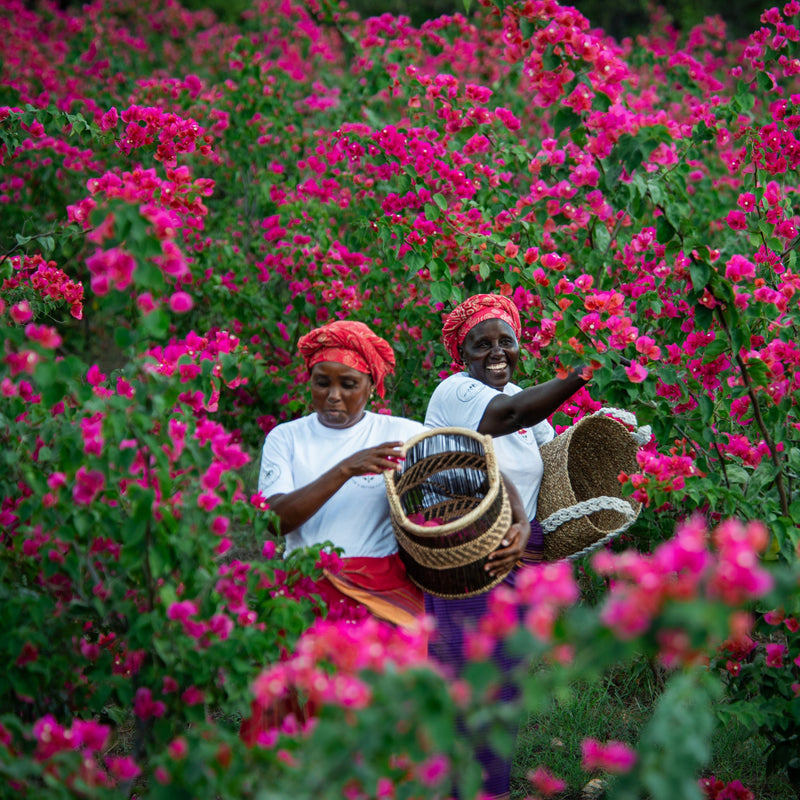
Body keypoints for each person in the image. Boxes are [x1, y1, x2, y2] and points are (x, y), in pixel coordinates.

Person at [423, 293, 590, 800]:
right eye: (482, 345)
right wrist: (584, 371)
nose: (496, 353)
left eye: (506, 342)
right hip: (466, 550)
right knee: (462, 679)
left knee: (503, 688)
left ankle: (487, 789)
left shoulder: (526, 397)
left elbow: (553, 468)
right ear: (463, 354)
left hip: (520, 553)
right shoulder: (458, 391)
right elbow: (507, 416)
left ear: (519, 347)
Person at [241, 319, 427, 745]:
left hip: (380, 586)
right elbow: (274, 521)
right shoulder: (286, 439)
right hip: (307, 586)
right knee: (309, 709)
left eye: (349, 384)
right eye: (322, 383)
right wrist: (345, 469)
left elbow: (466, 468)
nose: (334, 396)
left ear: (371, 385)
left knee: (383, 710)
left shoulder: (399, 434)